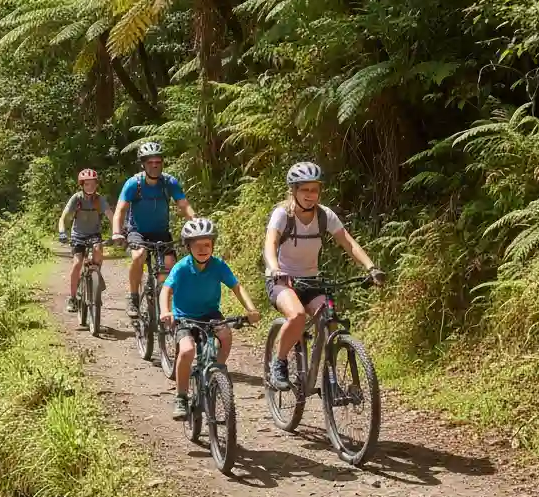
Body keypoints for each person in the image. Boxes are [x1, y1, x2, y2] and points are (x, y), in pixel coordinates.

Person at [264, 161, 383, 391]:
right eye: (305, 190)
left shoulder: (324, 216)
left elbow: (348, 242)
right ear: (294, 191)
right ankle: (278, 364)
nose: (310, 195)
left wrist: (370, 267)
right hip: (283, 280)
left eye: (315, 189)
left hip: (311, 281)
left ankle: (330, 380)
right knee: (297, 315)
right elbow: (270, 244)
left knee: (329, 320)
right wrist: (274, 268)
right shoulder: (282, 214)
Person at [160, 218, 260, 420]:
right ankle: (181, 397)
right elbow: (166, 290)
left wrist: (250, 309)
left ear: (213, 245)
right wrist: (165, 310)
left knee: (225, 334)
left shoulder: (218, 265)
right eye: (197, 245)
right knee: (187, 350)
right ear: (188, 247)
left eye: (207, 244)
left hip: (210, 314)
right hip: (184, 316)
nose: (203, 249)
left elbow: (236, 287)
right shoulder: (181, 267)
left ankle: (217, 373)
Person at [112, 141, 195, 318]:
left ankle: (163, 303)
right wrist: (116, 232)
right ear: (143, 164)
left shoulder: (169, 182)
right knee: (138, 255)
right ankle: (133, 297)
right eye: (150, 162)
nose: (155, 165)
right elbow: (120, 211)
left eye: (158, 162)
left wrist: (195, 225)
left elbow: (184, 205)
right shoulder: (134, 184)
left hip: (161, 232)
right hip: (137, 231)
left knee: (169, 267)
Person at [58, 169, 115, 313]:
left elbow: (110, 216)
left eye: (93, 183)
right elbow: (63, 217)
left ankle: (95, 279)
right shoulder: (76, 199)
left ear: (97, 184)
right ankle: (72, 298)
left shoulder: (99, 199)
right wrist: (62, 232)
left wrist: (116, 233)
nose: (90, 187)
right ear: (82, 185)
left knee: (98, 252)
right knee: (77, 263)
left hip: (94, 234)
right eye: (87, 184)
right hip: (78, 235)